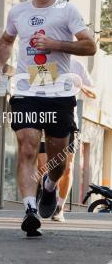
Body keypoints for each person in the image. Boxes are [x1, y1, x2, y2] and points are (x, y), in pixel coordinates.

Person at [0, 0, 96, 237]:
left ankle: (49, 187)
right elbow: (6, 40)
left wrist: (56, 44)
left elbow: (90, 46)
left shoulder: (67, 11)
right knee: (26, 147)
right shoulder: (18, 12)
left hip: (58, 93)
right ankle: (29, 209)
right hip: (27, 90)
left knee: (58, 158)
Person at [37, 58, 95, 223]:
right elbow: (33, 87)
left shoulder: (77, 65)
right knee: (43, 167)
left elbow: (93, 91)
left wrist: (79, 84)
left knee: (67, 168)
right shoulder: (45, 62)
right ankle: (48, 194)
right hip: (46, 118)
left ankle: (59, 208)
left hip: (70, 121)